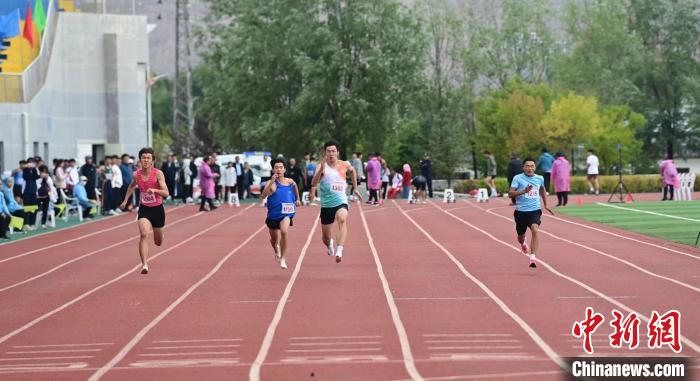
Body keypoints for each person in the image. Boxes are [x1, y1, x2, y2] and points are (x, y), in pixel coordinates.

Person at [310, 139, 362, 263]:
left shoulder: (344, 164)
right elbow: (313, 183)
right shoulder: (321, 166)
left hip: (341, 201)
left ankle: (339, 250)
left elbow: (353, 171)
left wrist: (355, 187)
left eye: (333, 151)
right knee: (325, 238)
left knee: (342, 219)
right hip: (327, 205)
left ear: (337, 152)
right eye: (328, 151)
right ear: (325, 153)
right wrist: (320, 170)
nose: (331, 153)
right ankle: (330, 245)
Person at [120, 147, 170, 274]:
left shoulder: (158, 174)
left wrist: (155, 190)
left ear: (153, 160)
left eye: (148, 158)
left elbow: (166, 193)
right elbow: (131, 186)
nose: (146, 160)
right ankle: (144, 265)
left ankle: (159, 233)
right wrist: (125, 200)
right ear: (140, 159)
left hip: (157, 209)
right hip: (144, 209)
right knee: (143, 234)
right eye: (143, 158)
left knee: (158, 242)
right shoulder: (136, 174)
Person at [508, 158, 554, 268]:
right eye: (527, 166)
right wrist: (524, 191)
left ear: (535, 167)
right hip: (521, 212)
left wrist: (546, 204)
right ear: (523, 167)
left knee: (535, 230)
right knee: (520, 236)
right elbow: (510, 194)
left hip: (534, 210)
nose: (530, 168)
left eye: (532, 166)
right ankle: (523, 243)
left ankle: (532, 257)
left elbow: (542, 189)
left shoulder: (539, 178)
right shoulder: (517, 178)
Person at [261, 158, 302, 270]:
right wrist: (271, 182)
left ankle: (283, 258)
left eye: (280, 167)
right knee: (274, 240)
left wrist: (297, 199)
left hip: (286, 213)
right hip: (273, 215)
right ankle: (276, 249)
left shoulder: (290, 182)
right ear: (273, 169)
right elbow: (263, 196)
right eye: (276, 167)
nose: (278, 169)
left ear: (284, 169)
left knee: (284, 231)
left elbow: (295, 187)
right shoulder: (270, 183)